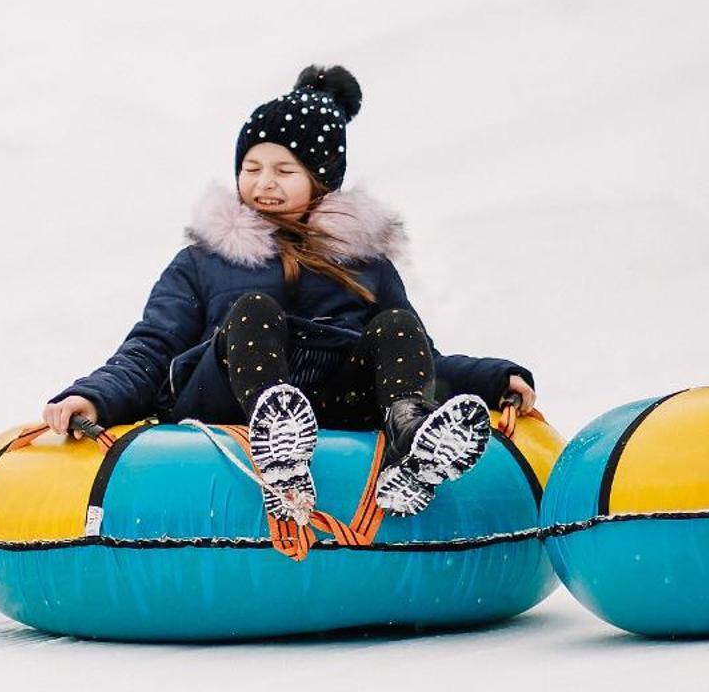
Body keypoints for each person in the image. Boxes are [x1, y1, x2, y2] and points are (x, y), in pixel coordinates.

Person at [43, 65, 535, 522]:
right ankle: (275, 432)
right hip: (225, 395)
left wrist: (493, 379)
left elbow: (418, 356)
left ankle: (413, 441)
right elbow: (152, 346)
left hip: (330, 397)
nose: (263, 183)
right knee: (254, 310)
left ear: (321, 180)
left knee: (396, 327)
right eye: (252, 167)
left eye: (284, 170)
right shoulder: (203, 261)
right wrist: (95, 396)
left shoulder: (366, 266)